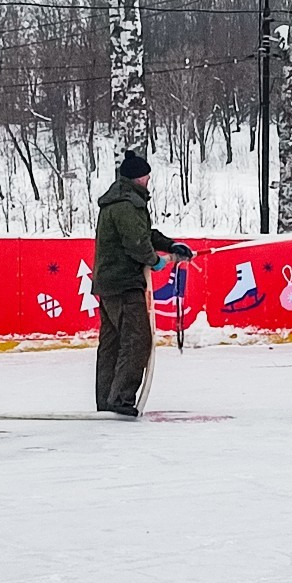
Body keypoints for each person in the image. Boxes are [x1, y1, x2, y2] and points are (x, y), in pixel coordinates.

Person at [92, 150, 194, 416]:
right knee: (137, 341)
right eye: (146, 176)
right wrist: (156, 261)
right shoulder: (128, 204)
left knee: (113, 343)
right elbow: (137, 243)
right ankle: (120, 399)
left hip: (110, 283)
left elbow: (144, 234)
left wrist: (170, 245)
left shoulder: (119, 201)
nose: (149, 180)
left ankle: (107, 400)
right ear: (139, 178)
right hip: (124, 284)